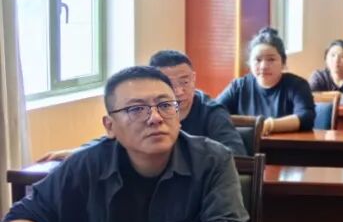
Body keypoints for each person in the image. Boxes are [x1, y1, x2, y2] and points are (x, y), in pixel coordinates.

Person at [0, 66, 249, 222]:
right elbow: (18, 219)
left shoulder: (212, 159)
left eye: (165, 105)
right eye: (136, 109)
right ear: (110, 126)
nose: (155, 118)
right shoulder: (85, 165)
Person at [39, 50, 247, 160]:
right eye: (170, 84)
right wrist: (80, 153)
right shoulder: (147, 111)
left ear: (194, 79)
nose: (179, 91)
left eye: (185, 82)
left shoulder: (211, 111)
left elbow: (236, 155)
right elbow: (119, 137)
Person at [216, 27, 315, 134]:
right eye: (258, 60)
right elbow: (214, 112)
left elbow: (306, 118)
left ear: (283, 62)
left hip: (286, 144)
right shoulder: (238, 86)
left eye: (271, 59)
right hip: (245, 144)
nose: (263, 66)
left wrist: (268, 125)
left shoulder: (298, 85)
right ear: (249, 63)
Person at [308, 39, 343, 106]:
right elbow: (307, 97)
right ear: (326, 59)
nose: (336, 60)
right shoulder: (318, 76)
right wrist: (338, 94)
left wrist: (321, 97)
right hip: (324, 113)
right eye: (333, 55)